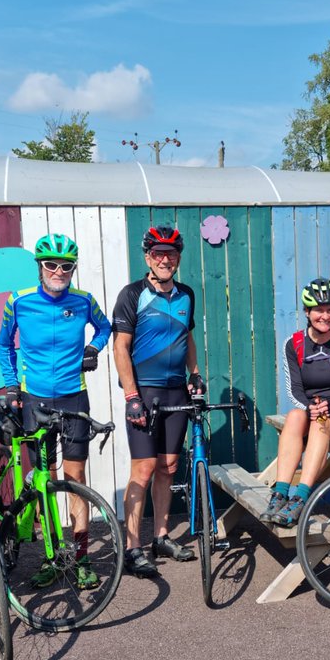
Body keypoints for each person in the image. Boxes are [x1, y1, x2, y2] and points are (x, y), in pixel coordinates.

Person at [0, 233, 112, 587]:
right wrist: (12, 385)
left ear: (73, 268)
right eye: (51, 264)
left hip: (74, 397)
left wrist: (93, 348)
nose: (58, 271)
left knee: (76, 480)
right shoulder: (19, 301)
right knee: (44, 480)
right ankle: (51, 556)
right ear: (39, 266)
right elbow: (4, 347)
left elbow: (105, 327)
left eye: (66, 266)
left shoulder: (84, 301)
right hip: (35, 400)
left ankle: (80, 558)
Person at [112, 225, 205, 578]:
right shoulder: (132, 294)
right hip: (144, 393)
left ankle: (161, 536)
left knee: (168, 466)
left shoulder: (186, 295)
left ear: (178, 258)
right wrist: (130, 394)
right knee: (144, 468)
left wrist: (194, 372)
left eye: (171, 254)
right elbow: (121, 347)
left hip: (176, 391)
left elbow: (188, 338)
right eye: (158, 254)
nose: (165, 259)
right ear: (148, 257)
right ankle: (133, 547)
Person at [267, 278, 330, 527]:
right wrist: (309, 407)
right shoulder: (294, 344)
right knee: (294, 416)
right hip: (311, 413)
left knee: (320, 422)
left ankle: (300, 499)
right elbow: (294, 389)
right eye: (319, 310)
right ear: (307, 312)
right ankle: (279, 493)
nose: (325, 316)